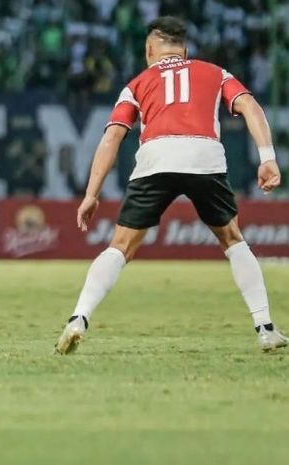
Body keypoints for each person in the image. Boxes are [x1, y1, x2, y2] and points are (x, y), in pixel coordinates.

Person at [55, 16, 287, 355]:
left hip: (156, 156)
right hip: (202, 154)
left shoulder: (136, 84)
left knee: (120, 246)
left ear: (150, 49)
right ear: (185, 49)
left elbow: (112, 137)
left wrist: (91, 194)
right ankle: (265, 329)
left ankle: (78, 319)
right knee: (233, 239)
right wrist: (267, 157)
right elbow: (250, 106)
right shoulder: (216, 73)